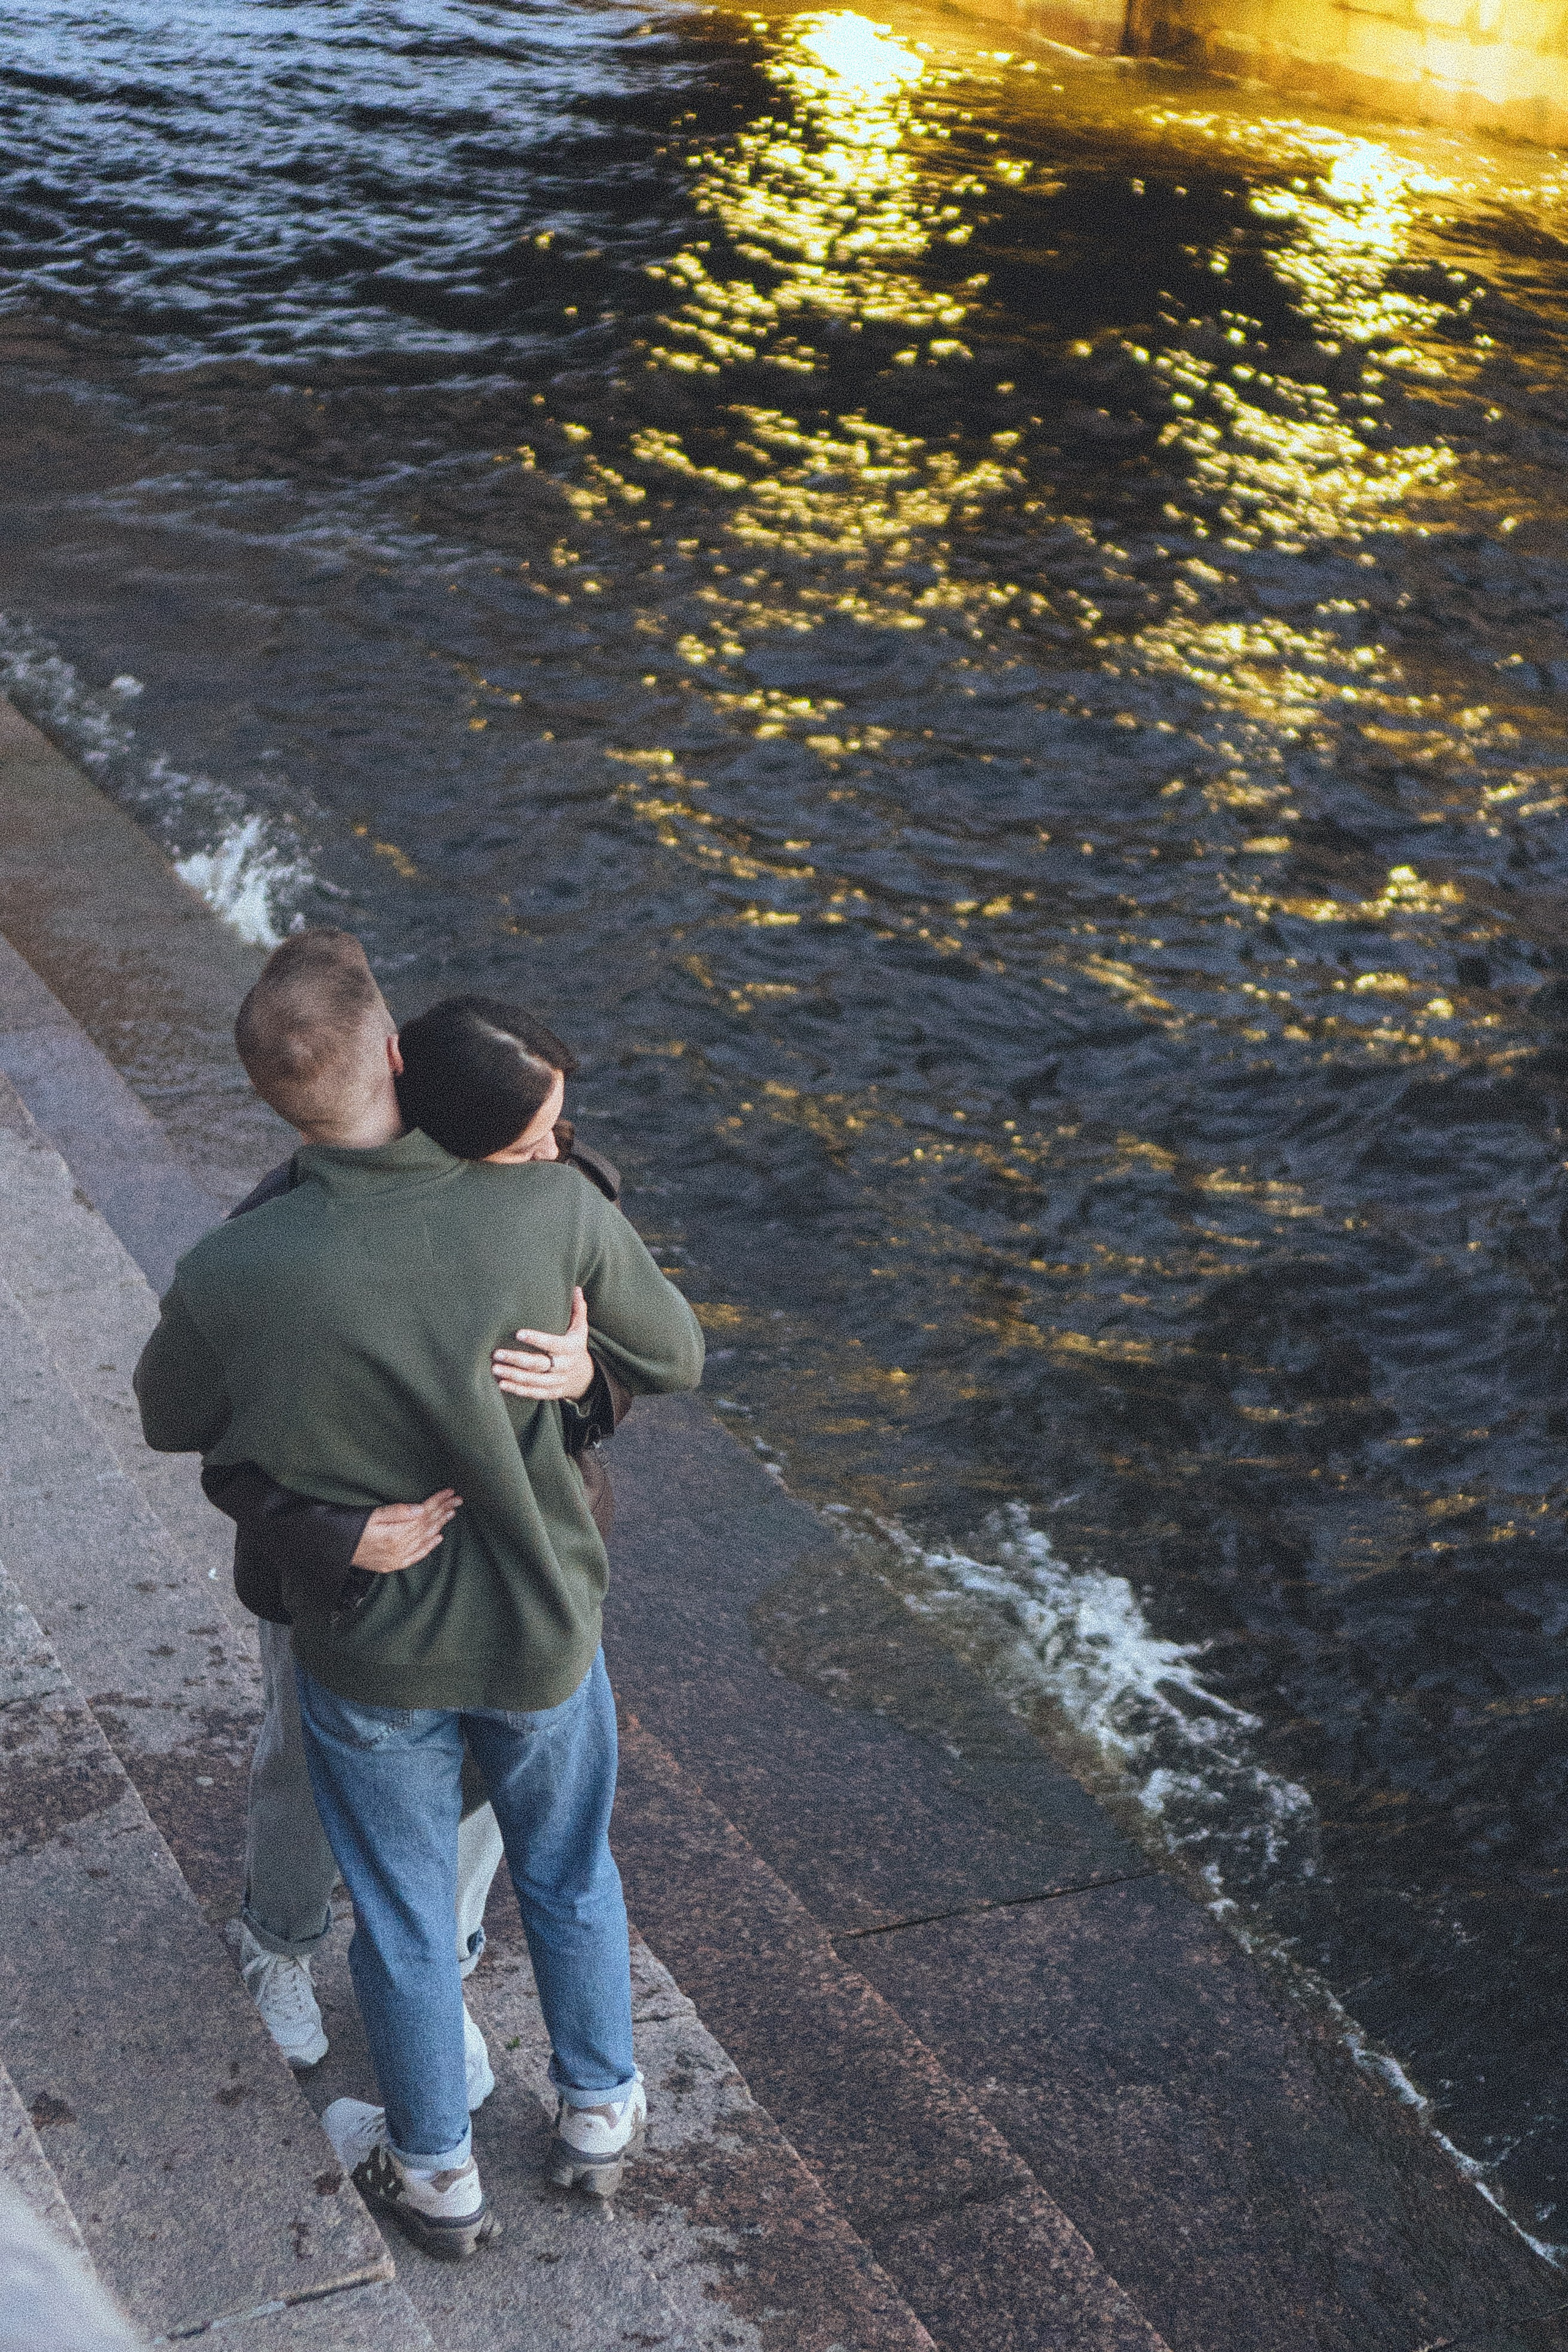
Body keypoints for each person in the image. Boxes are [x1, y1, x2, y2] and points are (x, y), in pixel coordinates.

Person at [134, 938, 704, 2258]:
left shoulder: (238, 1267)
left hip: (372, 1649)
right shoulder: (548, 1207)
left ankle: (434, 2172)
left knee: (393, 1916)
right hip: (541, 1627)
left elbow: (172, 1420)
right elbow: (671, 1350)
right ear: (398, 1054)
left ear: (268, 1098)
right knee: (566, 1871)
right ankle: (601, 2111)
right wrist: (579, 1372)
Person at [205, 949, 631, 2086]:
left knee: (495, 1791)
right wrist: (335, 1537)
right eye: (541, 1142)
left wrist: (590, 1374)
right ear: (388, 1060)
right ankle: (279, 1944)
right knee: (301, 1762)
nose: (552, 1154)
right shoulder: (292, 1216)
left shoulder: (529, 1150)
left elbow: (633, 1327)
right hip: (344, 1576)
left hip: (517, 1551)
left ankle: (435, 1971)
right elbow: (222, 1429)